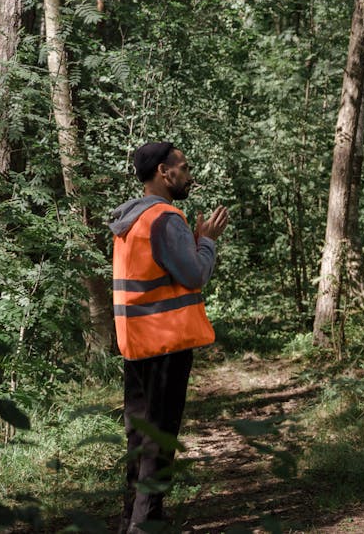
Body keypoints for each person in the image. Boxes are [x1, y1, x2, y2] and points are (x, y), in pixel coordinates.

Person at [110, 141, 229, 531]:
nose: (189, 174)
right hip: (165, 345)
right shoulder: (165, 217)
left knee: (139, 437)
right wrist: (207, 241)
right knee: (159, 442)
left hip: (137, 344)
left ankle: (136, 518)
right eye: (185, 166)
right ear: (165, 171)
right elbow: (194, 276)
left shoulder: (129, 221)